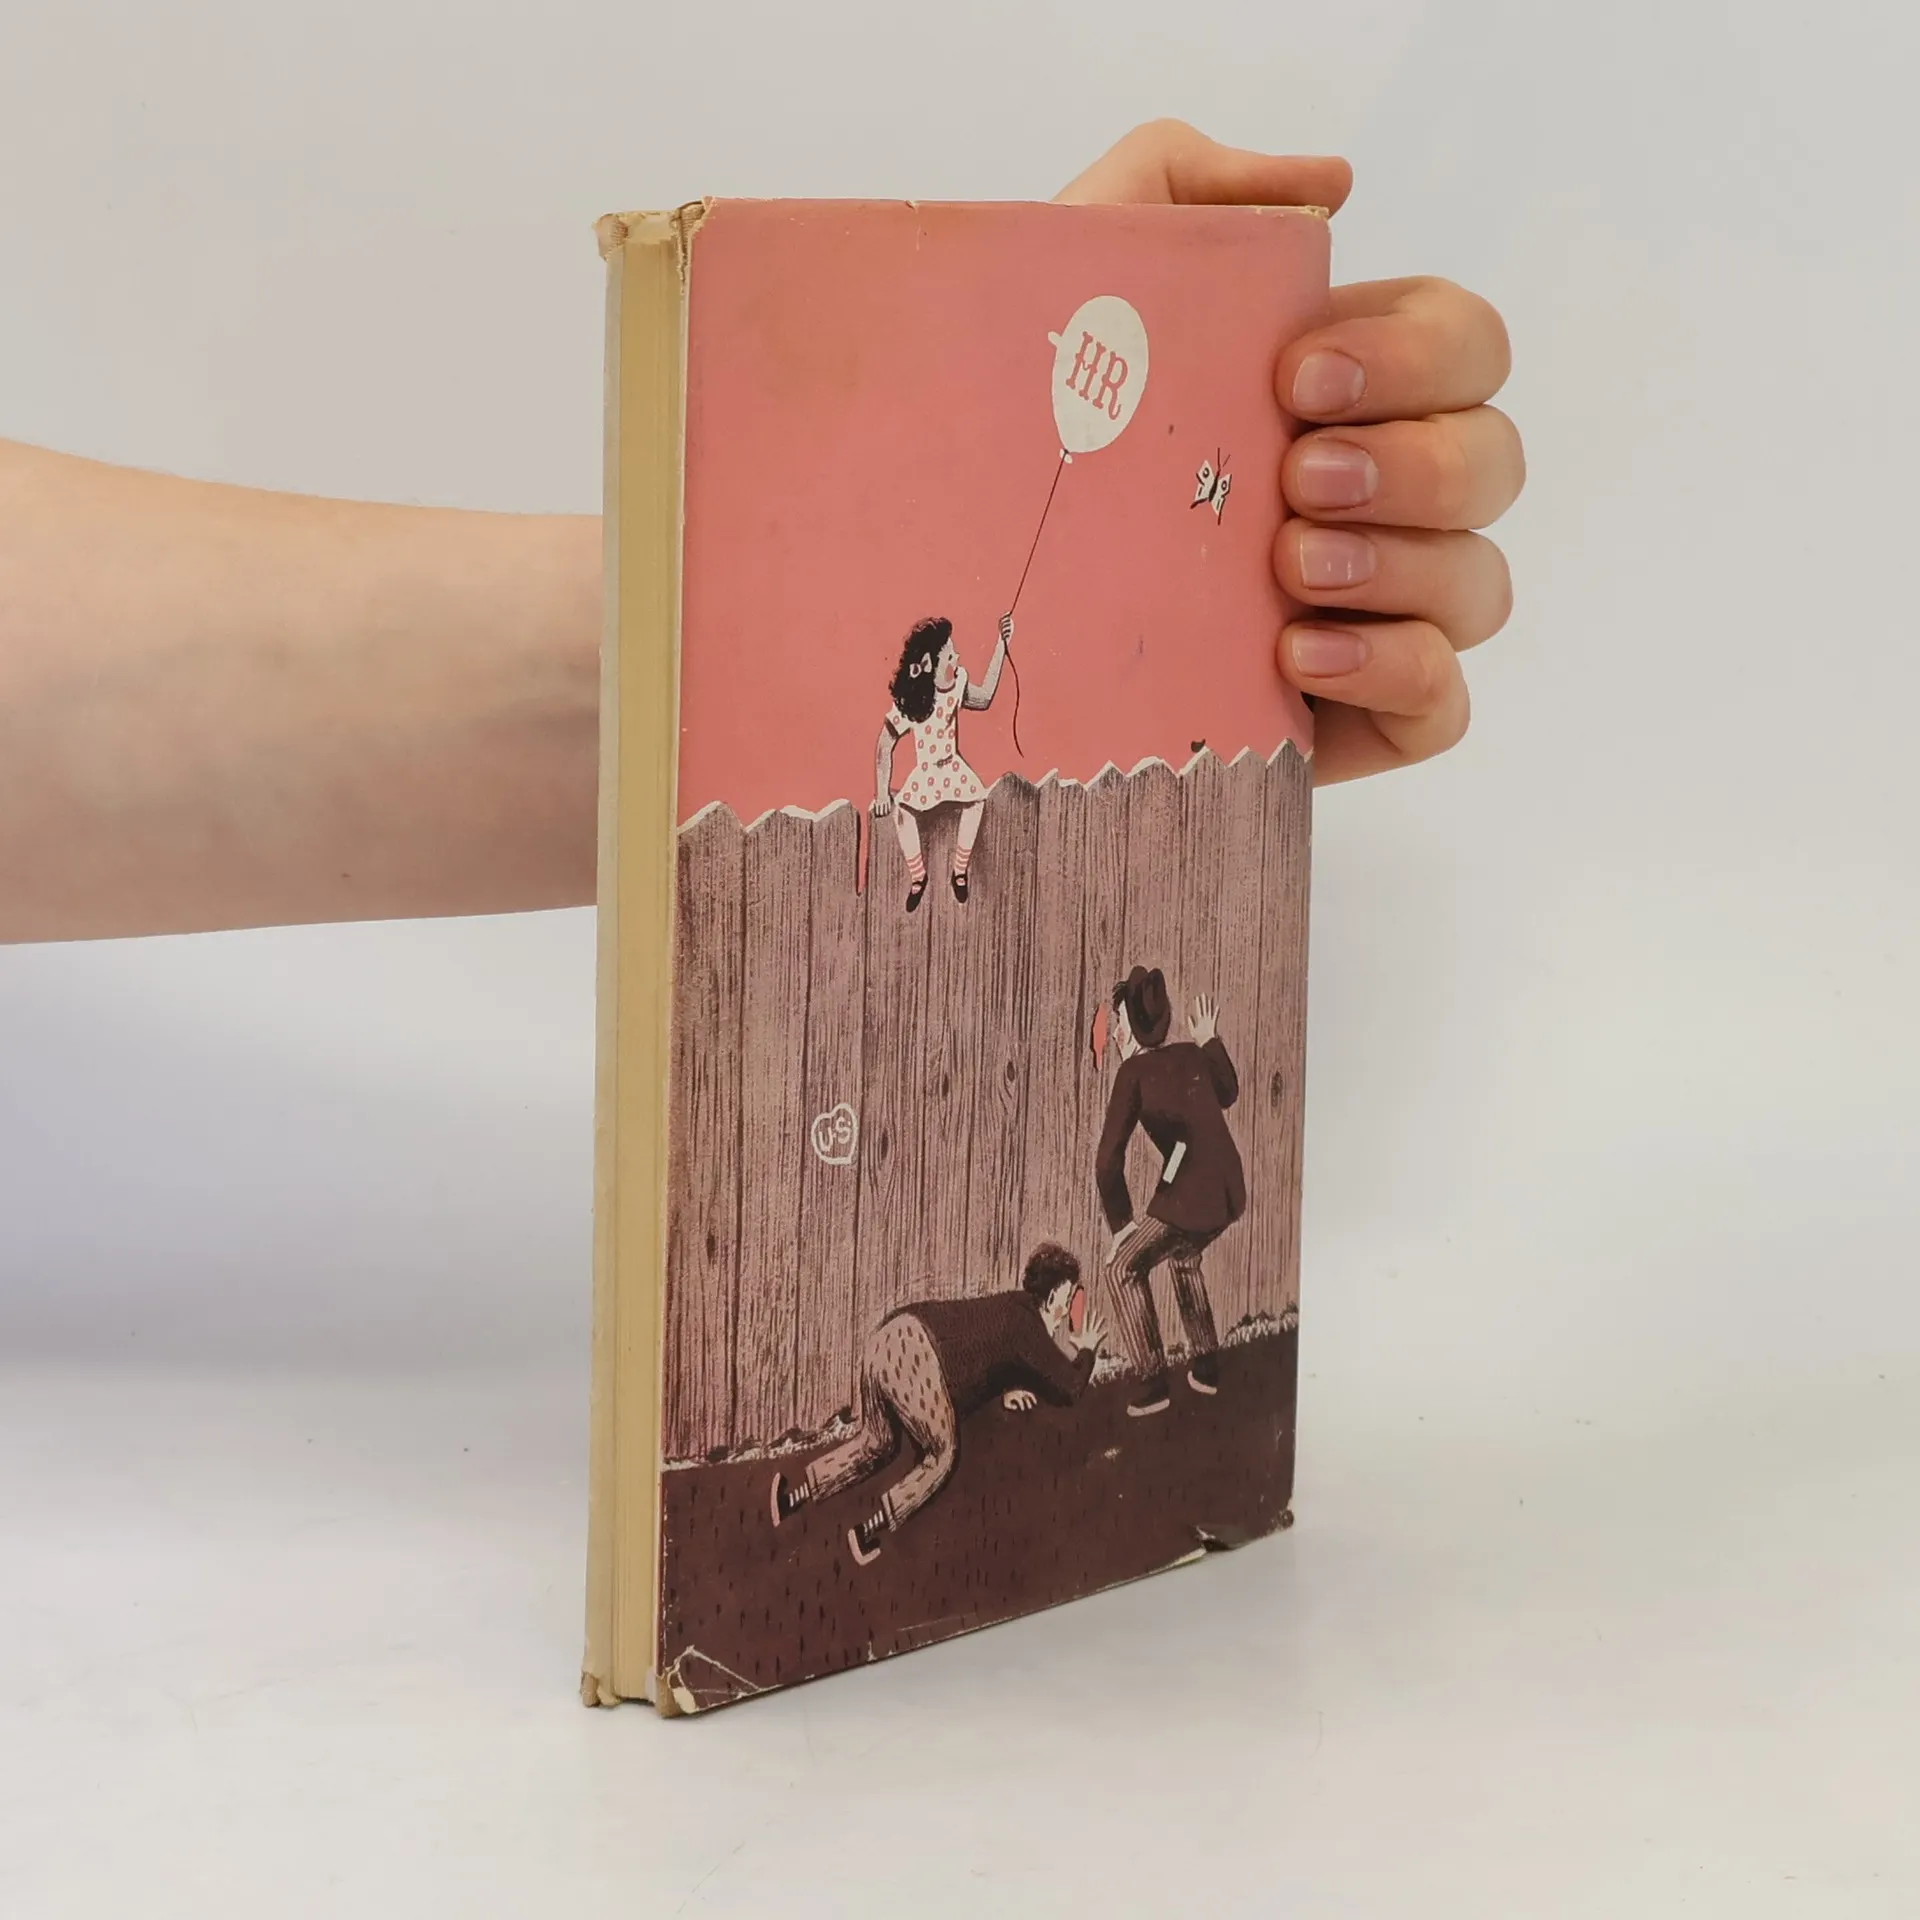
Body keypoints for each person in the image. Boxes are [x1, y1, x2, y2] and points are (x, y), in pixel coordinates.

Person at [0, 121, 1523, 946]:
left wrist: (972, 472)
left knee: (947, 828)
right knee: (931, 833)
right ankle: (930, 884)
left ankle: (939, 883)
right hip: (920, 783)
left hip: (942, 767)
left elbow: (964, 697)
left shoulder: (937, 683)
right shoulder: (908, 706)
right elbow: (897, 731)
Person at [768, 1243, 1107, 1567]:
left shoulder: (1013, 1307)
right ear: (1053, 1294)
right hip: (915, 1355)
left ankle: (791, 1498)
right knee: (942, 1455)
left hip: (889, 1337)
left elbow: (995, 1352)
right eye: (1068, 1298)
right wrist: (1087, 1349)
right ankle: (867, 1530)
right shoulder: (1028, 1326)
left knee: (877, 1443)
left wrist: (1007, 1387)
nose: (1068, 1310)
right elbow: (1069, 1388)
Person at [1094, 966, 1245, 1417]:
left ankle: (1152, 1381)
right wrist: (1209, 1041)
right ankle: (1207, 1366)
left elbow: (1107, 1162)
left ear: (1132, 1029)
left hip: (1193, 1191)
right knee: (1183, 1255)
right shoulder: (1190, 1054)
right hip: (1228, 1188)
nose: (1114, 1032)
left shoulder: (1132, 1072)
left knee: (1121, 1267)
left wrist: (1122, 1227)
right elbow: (1229, 1092)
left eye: (1118, 1022)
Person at [872, 612, 1010, 909]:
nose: (957, 659)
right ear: (928, 666)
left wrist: (1002, 645)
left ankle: (959, 871)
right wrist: (882, 793)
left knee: (977, 801)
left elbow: (985, 698)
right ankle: (918, 876)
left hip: (953, 767)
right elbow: (884, 745)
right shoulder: (914, 702)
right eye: (949, 655)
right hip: (926, 774)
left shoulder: (957, 686)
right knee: (902, 812)